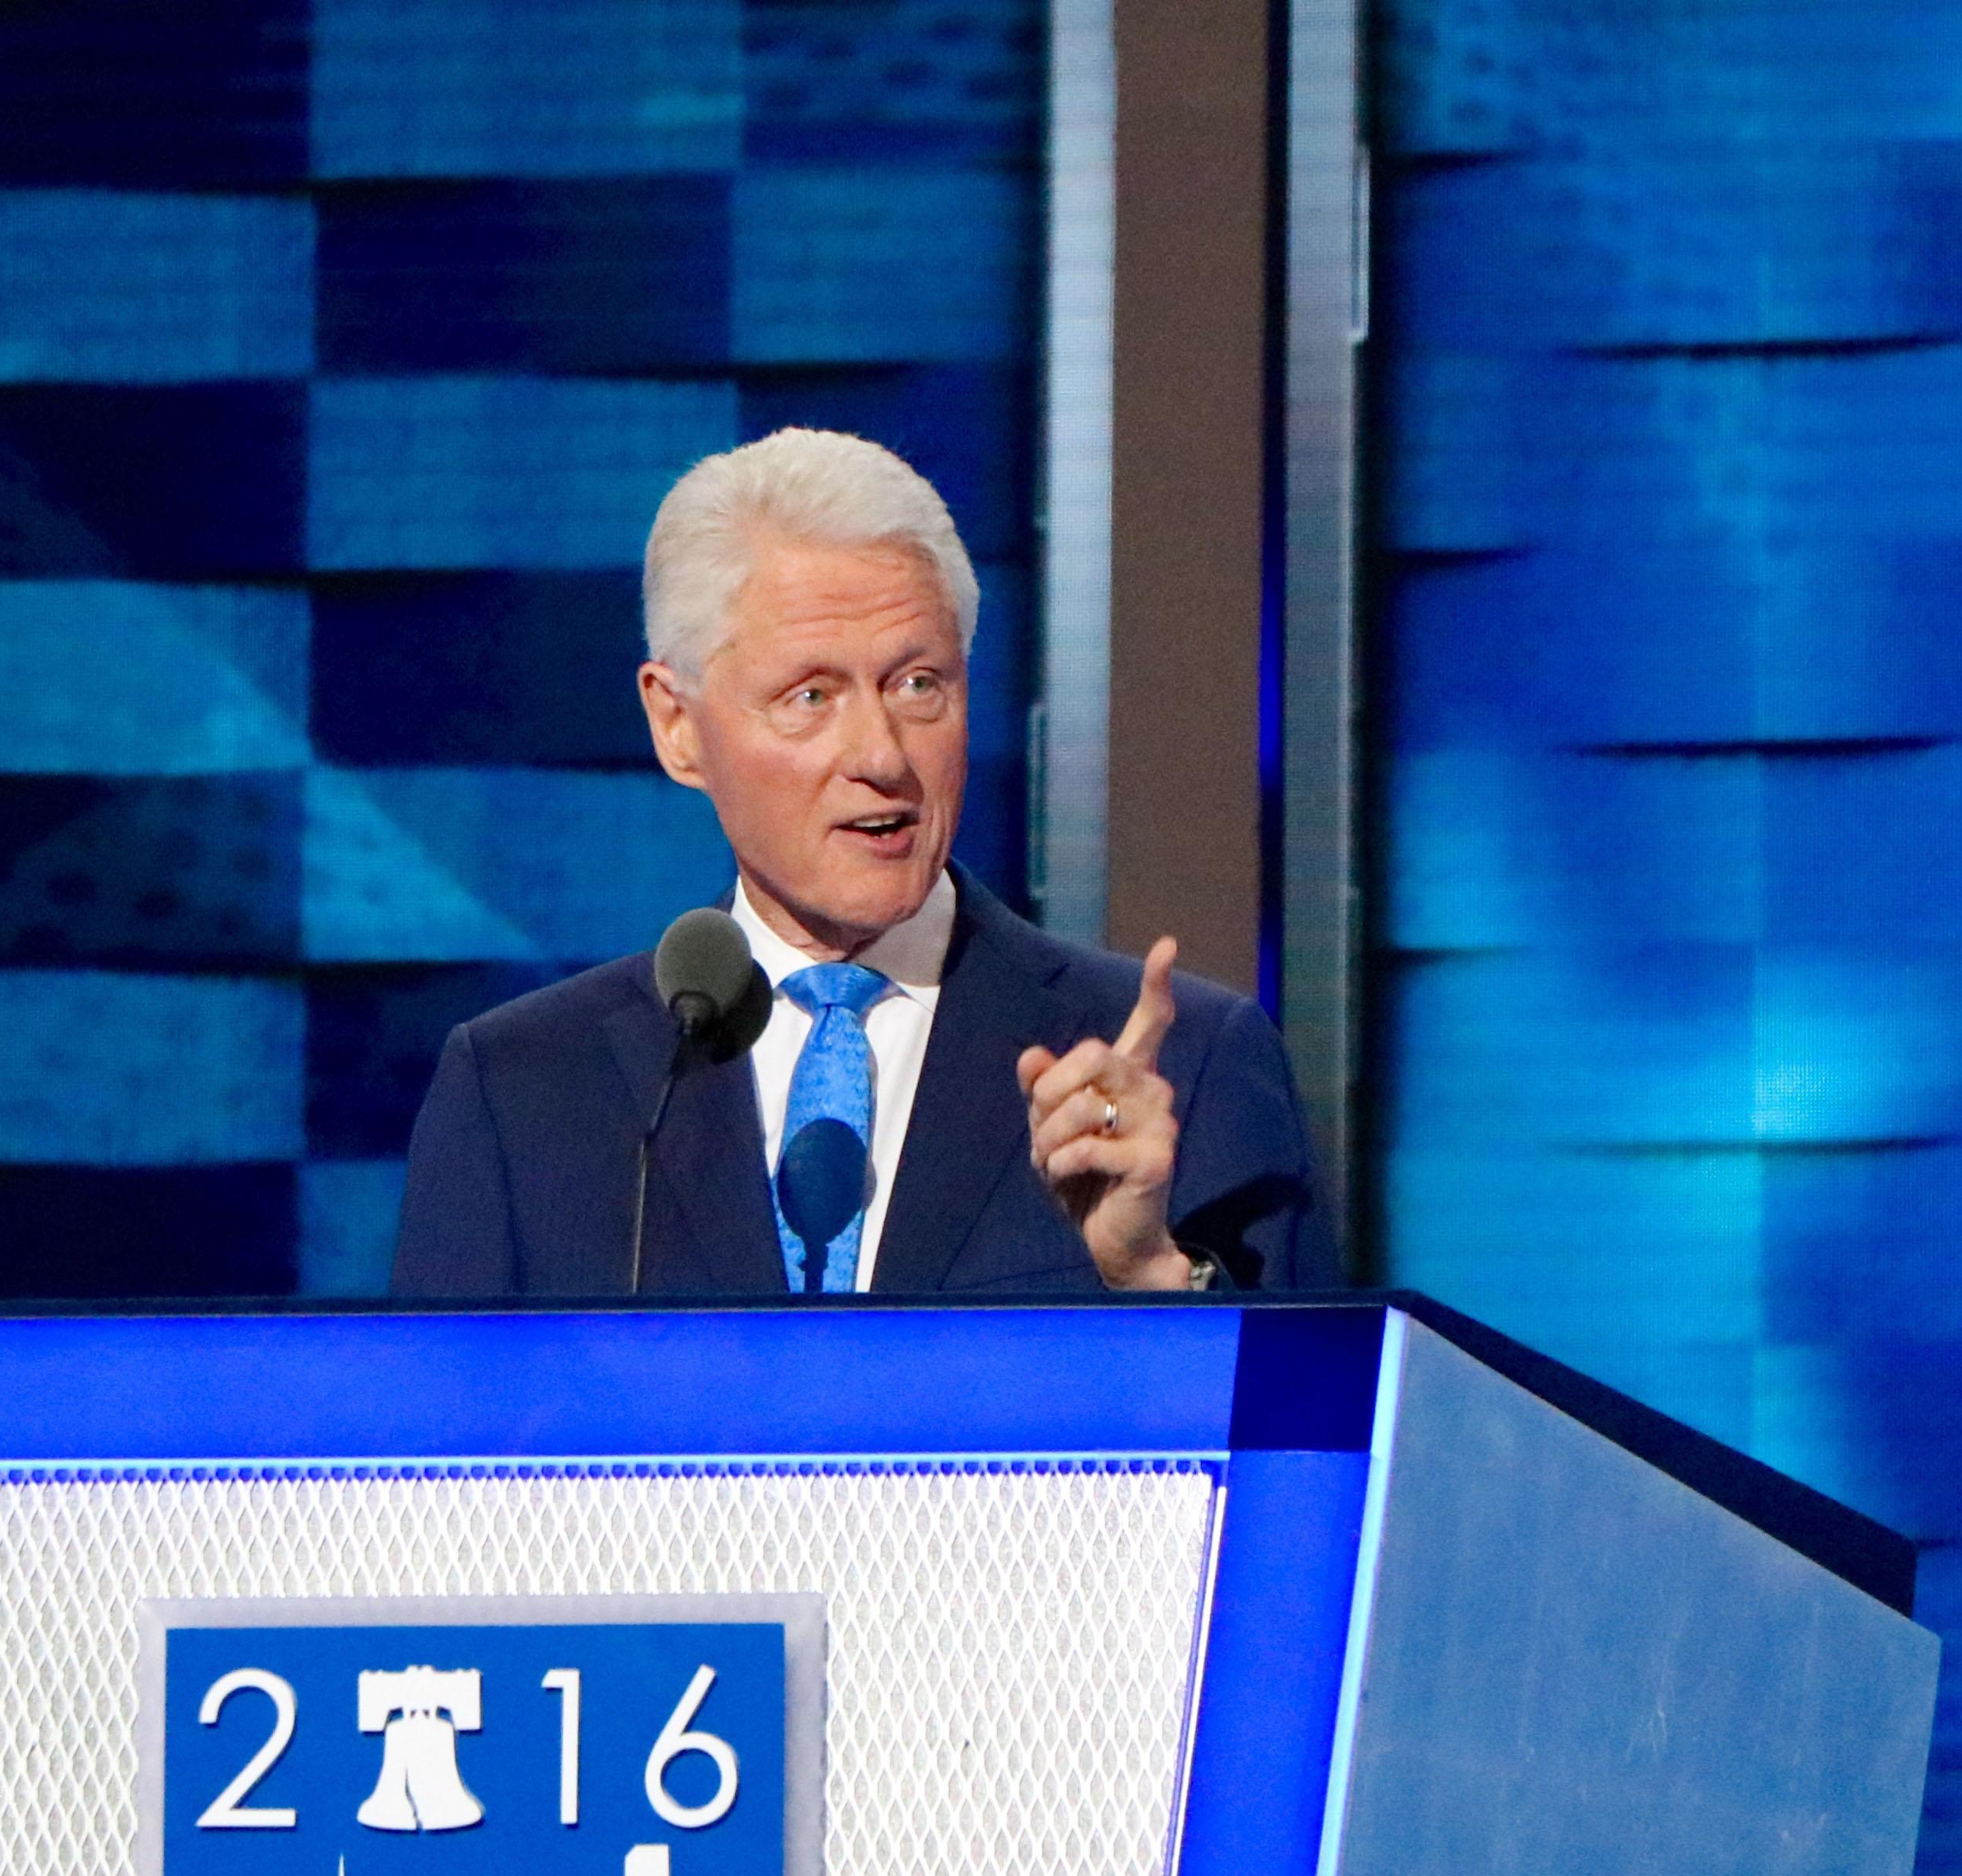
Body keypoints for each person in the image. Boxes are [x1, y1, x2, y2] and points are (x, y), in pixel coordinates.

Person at [389, 428, 1333, 1298]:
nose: (882, 755)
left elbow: (1301, 1445)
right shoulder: (523, 1095)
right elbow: (428, 1467)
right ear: (677, 726)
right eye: (810, 695)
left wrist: (1149, 1274)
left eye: (919, 684)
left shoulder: (1180, 1071)